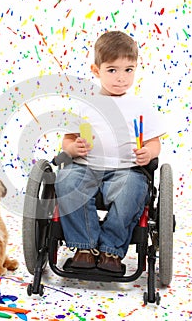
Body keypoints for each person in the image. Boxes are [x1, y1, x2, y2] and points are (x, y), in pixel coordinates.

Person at [54, 31, 166, 272]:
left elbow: (155, 144)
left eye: (129, 70)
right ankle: (85, 247)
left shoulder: (140, 106)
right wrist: (74, 148)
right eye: (112, 70)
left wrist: (148, 153)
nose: (121, 78)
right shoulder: (84, 104)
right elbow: (67, 141)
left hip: (126, 171)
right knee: (65, 179)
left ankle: (111, 250)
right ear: (96, 70)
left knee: (133, 190)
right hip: (85, 167)